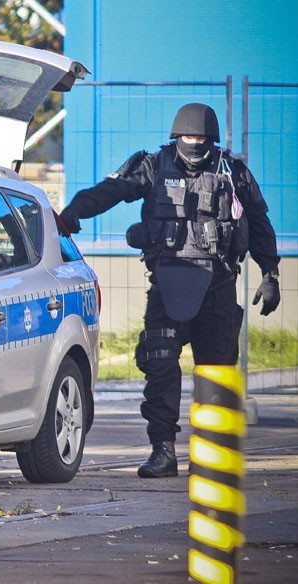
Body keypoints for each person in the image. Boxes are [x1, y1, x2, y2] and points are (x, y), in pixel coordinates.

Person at [59, 103, 281, 478]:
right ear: (176, 137)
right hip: (166, 287)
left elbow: (259, 222)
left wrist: (271, 273)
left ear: (211, 139)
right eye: (188, 137)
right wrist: (74, 211)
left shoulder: (233, 173)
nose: (194, 144)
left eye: (201, 138)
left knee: (216, 372)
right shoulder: (151, 165)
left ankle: (212, 453)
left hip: (219, 287)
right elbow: (111, 191)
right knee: (160, 366)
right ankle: (162, 450)